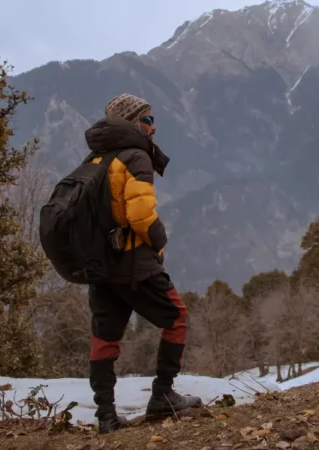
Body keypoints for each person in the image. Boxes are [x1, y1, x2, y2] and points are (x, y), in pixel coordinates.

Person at [83, 93, 202, 433]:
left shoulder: (96, 158)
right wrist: (159, 240)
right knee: (176, 317)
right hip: (134, 264)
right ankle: (162, 395)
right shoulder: (135, 157)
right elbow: (140, 215)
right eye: (148, 120)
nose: (154, 126)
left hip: (101, 266)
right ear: (131, 123)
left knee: (104, 338)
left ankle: (106, 416)